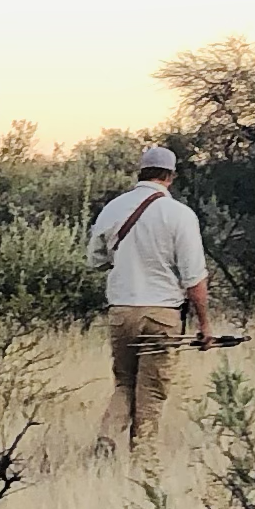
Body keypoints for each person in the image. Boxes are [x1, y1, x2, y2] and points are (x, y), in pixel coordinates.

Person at [87, 144, 212, 456]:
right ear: (171, 176)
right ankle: (144, 461)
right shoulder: (180, 215)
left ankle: (106, 438)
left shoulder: (114, 208)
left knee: (124, 383)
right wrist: (205, 326)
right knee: (152, 392)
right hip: (163, 313)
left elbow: (94, 260)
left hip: (122, 311)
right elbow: (194, 278)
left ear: (140, 172)